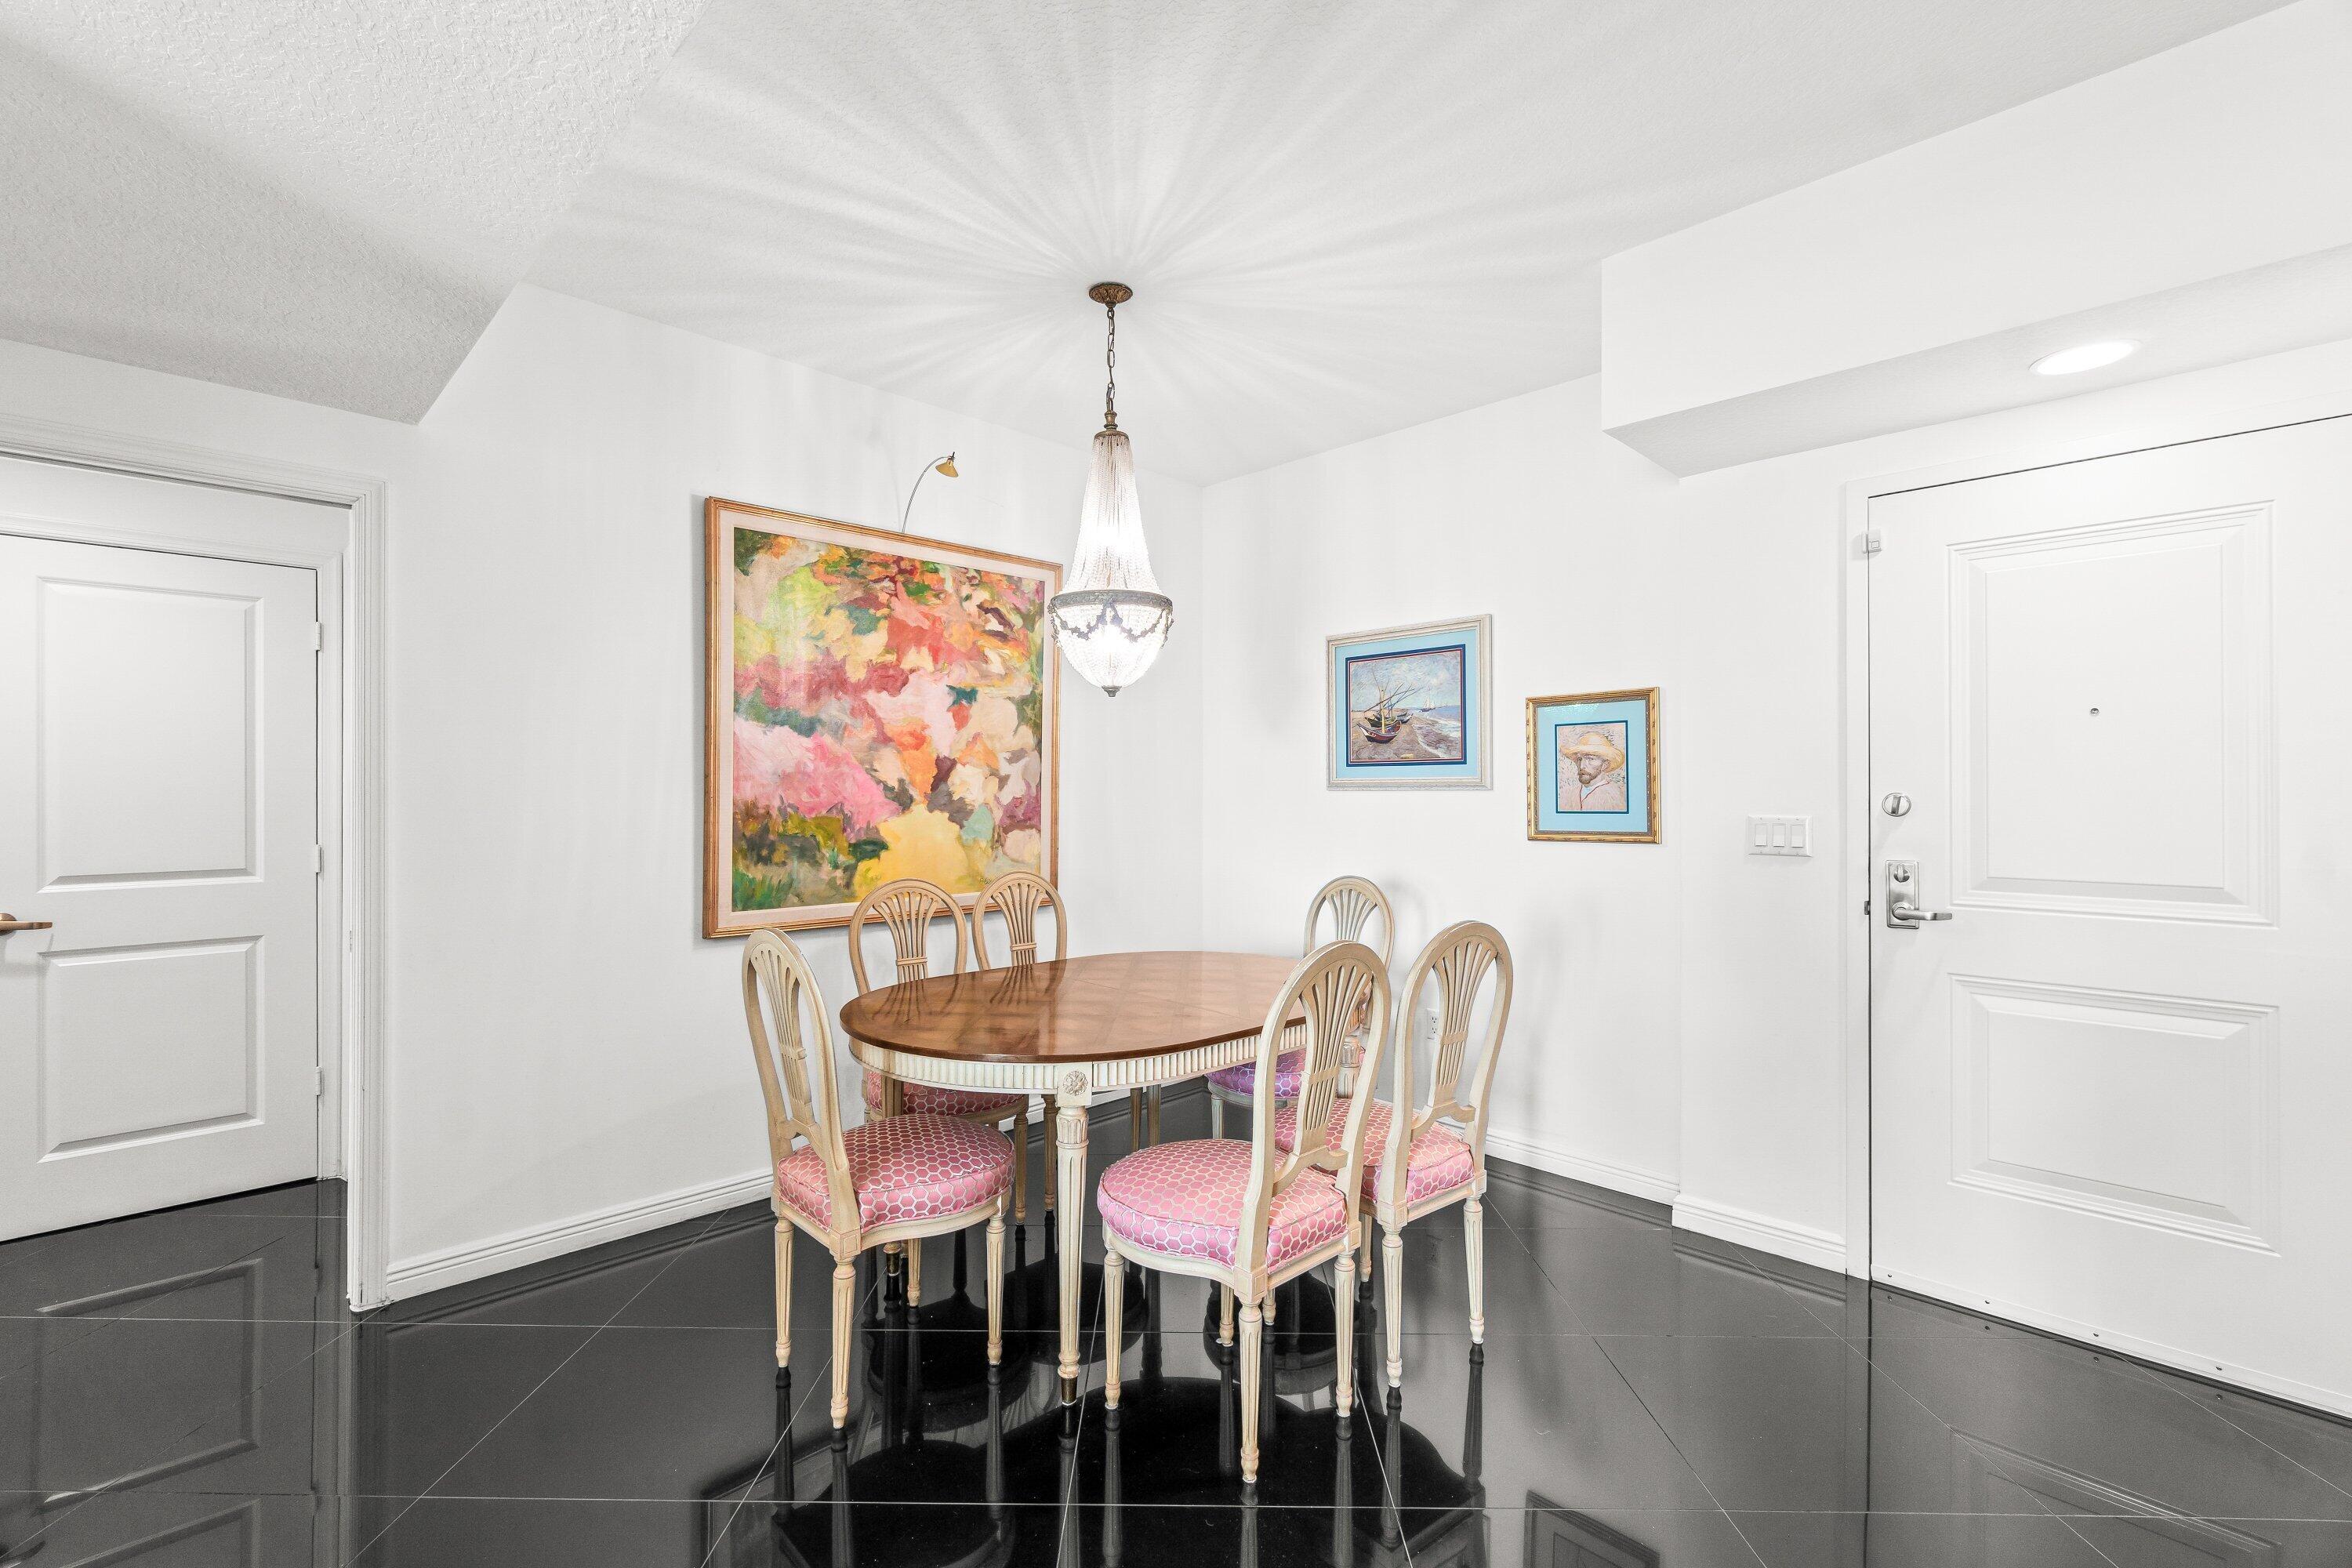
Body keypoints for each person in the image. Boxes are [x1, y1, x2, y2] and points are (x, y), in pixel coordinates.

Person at [1559, 729, 1628, 812]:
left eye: (1590, 759)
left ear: (1605, 765)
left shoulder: (1614, 796)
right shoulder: (1571, 794)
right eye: (1579, 759)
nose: (1581, 766)